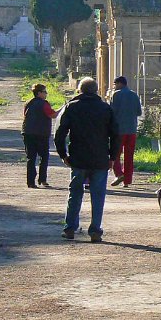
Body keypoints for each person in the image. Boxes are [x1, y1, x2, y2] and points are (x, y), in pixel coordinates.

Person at [55, 77, 119, 242]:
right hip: (100, 159)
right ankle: (95, 231)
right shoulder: (106, 109)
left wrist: (63, 155)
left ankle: (70, 228)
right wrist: (113, 157)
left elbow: (59, 134)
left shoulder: (71, 107)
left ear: (80, 90)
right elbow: (116, 135)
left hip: (78, 158)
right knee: (98, 196)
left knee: (75, 193)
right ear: (96, 90)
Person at [22, 83, 58, 189]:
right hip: (41, 134)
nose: (46, 94)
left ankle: (30, 182)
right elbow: (53, 115)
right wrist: (62, 109)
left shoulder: (28, 103)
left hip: (27, 132)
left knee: (31, 158)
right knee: (44, 156)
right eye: (45, 92)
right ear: (39, 93)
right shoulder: (44, 104)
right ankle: (42, 179)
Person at [110, 75, 142, 187]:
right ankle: (127, 181)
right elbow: (139, 112)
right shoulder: (134, 95)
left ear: (119, 84)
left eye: (115, 84)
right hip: (132, 130)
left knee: (115, 154)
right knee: (129, 156)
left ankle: (119, 174)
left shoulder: (116, 95)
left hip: (119, 130)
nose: (114, 87)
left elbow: (111, 112)